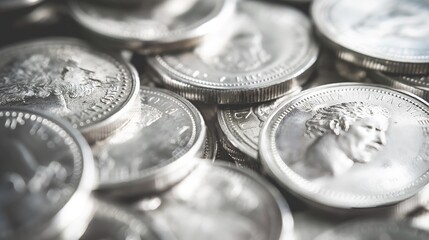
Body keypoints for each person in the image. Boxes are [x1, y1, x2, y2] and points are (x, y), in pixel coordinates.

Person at [293, 102, 390, 180]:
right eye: (370, 128)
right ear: (337, 126)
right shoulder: (301, 173)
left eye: (383, 132)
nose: (382, 141)